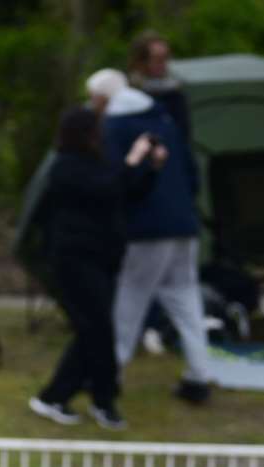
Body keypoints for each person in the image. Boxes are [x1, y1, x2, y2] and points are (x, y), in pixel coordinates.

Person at [27, 107, 162, 431]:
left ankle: (69, 396)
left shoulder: (97, 163)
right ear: (83, 133)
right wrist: (134, 157)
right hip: (74, 260)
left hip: (102, 260)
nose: (100, 136)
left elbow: (125, 191)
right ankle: (93, 398)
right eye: (95, 130)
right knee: (97, 329)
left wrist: (152, 168)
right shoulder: (65, 167)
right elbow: (106, 188)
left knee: (95, 331)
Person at [89, 68, 213, 406]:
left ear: (103, 99)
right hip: (184, 225)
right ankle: (199, 376)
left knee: (130, 301)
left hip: (145, 231)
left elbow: (119, 180)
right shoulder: (166, 120)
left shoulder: (114, 126)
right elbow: (190, 172)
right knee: (186, 300)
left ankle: (109, 375)